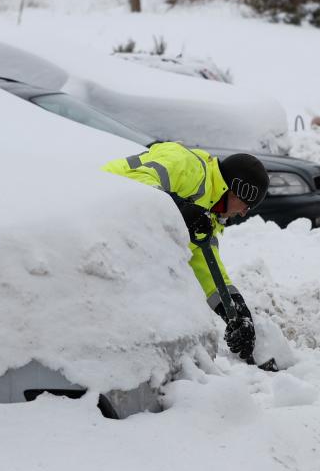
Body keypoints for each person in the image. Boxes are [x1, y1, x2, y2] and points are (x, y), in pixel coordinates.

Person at [104, 143, 269, 363]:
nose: (243, 213)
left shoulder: (208, 212)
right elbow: (135, 182)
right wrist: (181, 207)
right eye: (247, 205)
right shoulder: (188, 165)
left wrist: (236, 311)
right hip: (92, 215)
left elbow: (204, 263)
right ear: (236, 190)